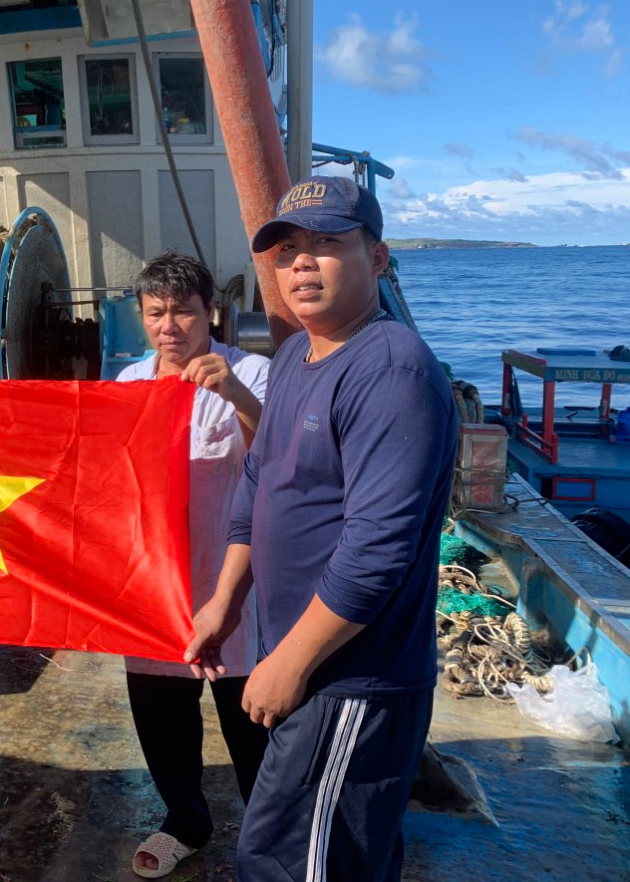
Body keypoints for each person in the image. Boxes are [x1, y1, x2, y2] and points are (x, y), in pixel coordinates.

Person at [185, 176, 457, 882]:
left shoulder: (391, 367)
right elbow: (259, 485)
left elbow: (376, 550)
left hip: (352, 681)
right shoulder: (297, 361)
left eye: (328, 244)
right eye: (288, 250)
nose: (302, 263)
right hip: (307, 667)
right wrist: (226, 601)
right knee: (328, 859)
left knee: (286, 863)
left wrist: (291, 662)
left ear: (379, 258)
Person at [116, 252, 270, 880]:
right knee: (161, 713)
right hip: (154, 586)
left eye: (183, 310)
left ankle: (270, 830)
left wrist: (232, 394)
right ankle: (185, 820)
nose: (170, 325)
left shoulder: (254, 371)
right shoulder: (126, 384)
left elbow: (283, 457)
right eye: (156, 313)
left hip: (234, 586)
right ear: (142, 317)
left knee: (252, 718)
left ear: (211, 311)